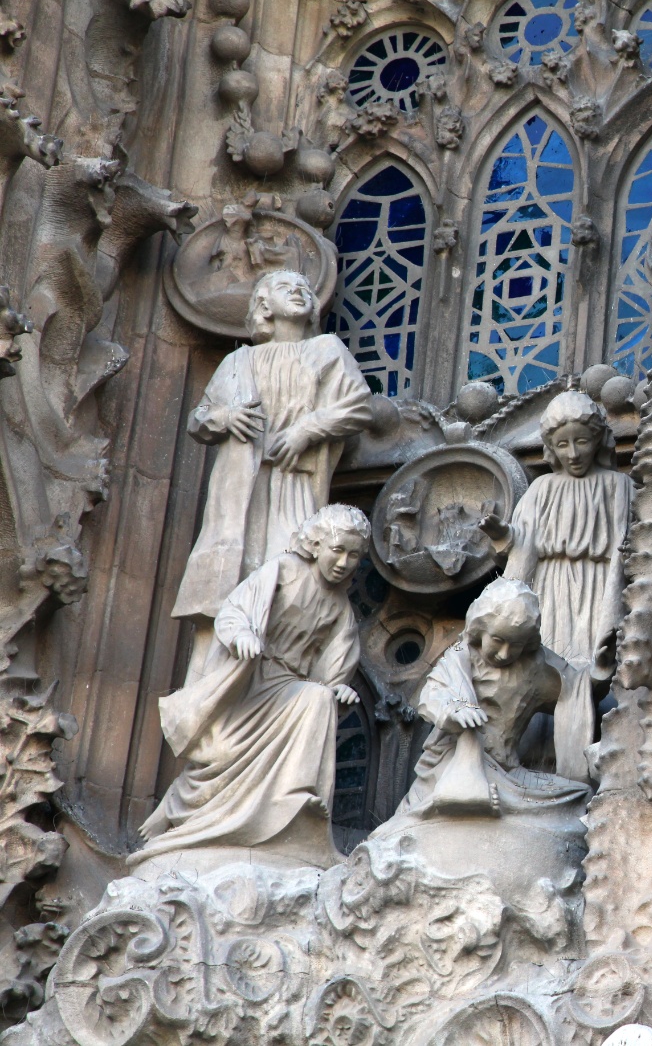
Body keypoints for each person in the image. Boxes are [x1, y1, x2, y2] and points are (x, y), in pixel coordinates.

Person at [132, 505, 370, 867]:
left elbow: (334, 669)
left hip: (290, 687)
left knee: (319, 699)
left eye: (354, 555)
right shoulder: (284, 572)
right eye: (337, 550)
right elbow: (234, 611)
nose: (343, 562)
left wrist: (339, 688)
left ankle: (294, 796)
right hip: (250, 677)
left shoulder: (340, 608)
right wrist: (241, 633)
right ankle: (178, 806)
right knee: (222, 752)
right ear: (317, 544)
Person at [172, 270, 372, 677]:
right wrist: (225, 416)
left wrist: (305, 430)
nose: (299, 291)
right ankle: (213, 679)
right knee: (230, 577)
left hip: (295, 480)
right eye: (285, 288)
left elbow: (358, 406)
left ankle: (278, 676)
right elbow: (199, 419)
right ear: (264, 306)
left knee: (291, 572)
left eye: (304, 288)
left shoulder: (326, 351)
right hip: (239, 490)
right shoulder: (239, 360)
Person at [480, 390, 633, 782]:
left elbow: (627, 547)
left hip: (598, 590)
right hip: (549, 590)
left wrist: (612, 613)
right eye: (563, 445)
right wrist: (504, 535)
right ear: (550, 447)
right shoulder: (542, 489)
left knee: (588, 673)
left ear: (599, 439)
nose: (574, 453)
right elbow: (525, 542)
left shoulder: (619, 487)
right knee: (543, 670)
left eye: (582, 441)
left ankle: (580, 769)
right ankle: (529, 767)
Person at [387, 578, 596, 823]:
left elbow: (575, 688)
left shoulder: (535, 665)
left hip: (510, 772)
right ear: (480, 627)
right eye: (497, 640)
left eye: (515, 645)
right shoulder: (459, 656)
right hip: (458, 763)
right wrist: (454, 711)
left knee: (579, 793)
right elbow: (431, 695)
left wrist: (600, 671)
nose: (505, 653)